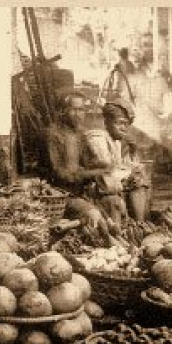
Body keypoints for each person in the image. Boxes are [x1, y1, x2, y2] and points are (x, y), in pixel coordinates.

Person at [43, 90, 112, 237]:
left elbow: (87, 163)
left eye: (81, 110)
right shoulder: (53, 135)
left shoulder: (80, 134)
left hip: (81, 193)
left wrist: (103, 165)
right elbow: (60, 174)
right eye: (74, 109)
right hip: (62, 197)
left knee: (115, 203)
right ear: (63, 111)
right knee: (94, 215)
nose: (79, 114)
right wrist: (93, 172)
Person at [83, 99, 151, 222]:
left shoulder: (115, 141)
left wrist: (133, 150)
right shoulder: (97, 138)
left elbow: (121, 167)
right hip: (95, 187)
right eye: (120, 123)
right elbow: (106, 167)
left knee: (141, 179)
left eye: (126, 124)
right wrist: (130, 172)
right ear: (107, 122)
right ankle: (140, 224)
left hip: (109, 183)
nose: (124, 128)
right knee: (138, 177)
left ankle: (140, 224)